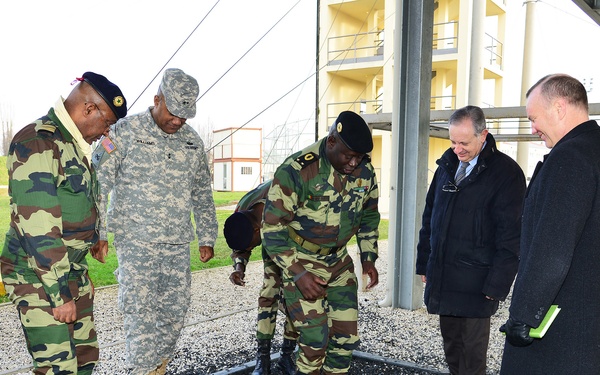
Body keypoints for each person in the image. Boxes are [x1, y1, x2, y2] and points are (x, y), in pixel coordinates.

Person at [91, 68, 218, 375]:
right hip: (136, 243)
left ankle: (156, 367)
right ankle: (142, 370)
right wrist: (100, 232)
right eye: (173, 113)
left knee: (175, 313)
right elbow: (99, 182)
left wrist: (207, 236)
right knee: (140, 315)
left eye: (185, 116)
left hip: (176, 244)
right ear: (157, 99)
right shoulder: (125, 132)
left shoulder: (192, 143)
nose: (178, 121)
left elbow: (202, 191)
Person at [0, 72, 127, 374]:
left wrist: (79, 275)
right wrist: (60, 293)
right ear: (88, 109)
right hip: (37, 278)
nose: (107, 132)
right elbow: (39, 229)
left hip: (68, 273)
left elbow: (79, 206)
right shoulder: (38, 142)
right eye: (107, 122)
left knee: (85, 358)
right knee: (59, 368)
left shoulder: (74, 144)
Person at [261, 110, 380, 375]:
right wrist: (299, 273)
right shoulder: (297, 171)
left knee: (345, 340)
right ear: (331, 141)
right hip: (301, 260)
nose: (353, 163)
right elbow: (272, 227)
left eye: (358, 157)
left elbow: (370, 213)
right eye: (348, 156)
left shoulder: (365, 171)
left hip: (338, 262)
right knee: (314, 343)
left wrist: (368, 256)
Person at [500, 74, 600, 374]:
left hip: (565, 332)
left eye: (534, 118)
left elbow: (553, 247)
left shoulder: (569, 158)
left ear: (559, 108)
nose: (533, 129)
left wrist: (524, 314)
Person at [415, 105, 526, 375]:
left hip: (477, 284)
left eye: (464, 142)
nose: (457, 149)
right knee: (452, 349)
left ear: (483, 135)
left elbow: (511, 236)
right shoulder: (447, 165)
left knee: (472, 359)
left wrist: (497, 285)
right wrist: (424, 264)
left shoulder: (506, 174)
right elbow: (430, 216)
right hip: (445, 277)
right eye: (453, 142)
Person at [223, 179, 298, 375]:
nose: (249, 250)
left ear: (259, 230)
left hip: (294, 242)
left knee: (293, 298)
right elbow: (240, 244)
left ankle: (286, 356)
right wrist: (239, 267)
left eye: (251, 246)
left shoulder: (285, 199)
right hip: (272, 244)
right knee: (268, 295)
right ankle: (262, 361)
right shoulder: (243, 209)